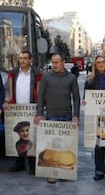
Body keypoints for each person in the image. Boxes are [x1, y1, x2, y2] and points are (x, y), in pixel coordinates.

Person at [34, 52, 80, 184]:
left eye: (56, 62)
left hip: (66, 116)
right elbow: (40, 97)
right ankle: (52, 173)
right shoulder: (46, 78)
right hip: (51, 115)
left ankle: (63, 171)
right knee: (52, 145)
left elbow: (76, 98)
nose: (54, 65)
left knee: (65, 145)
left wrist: (76, 116)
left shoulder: (71, 78)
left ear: (63, 62)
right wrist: (39, 113)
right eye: (52, 62)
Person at [3, 50, 43, 175]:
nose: (23, 60)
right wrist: (6, 101)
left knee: (31, 137)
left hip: (31, 109)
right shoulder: (13, 74)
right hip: (16, 109)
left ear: (30, 60)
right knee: (18, 137)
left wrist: (40, 108)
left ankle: (31, 165)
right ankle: (18, 164)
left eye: (25, 58)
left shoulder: (37, 74)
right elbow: (8, 90)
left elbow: (41, 92)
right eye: (21, 58)